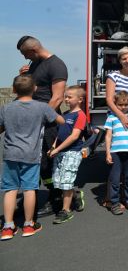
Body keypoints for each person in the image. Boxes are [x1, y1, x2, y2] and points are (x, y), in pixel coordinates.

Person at [0, 75, 65, 240]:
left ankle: (8, 227)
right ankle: (29, 225)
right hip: (31, 154)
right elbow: (61, 120)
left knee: (10, 189)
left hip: (10, 154)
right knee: (29, 189)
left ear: (14, 90)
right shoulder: (42, 107)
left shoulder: (6, 108)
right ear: (35, 89)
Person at [17, 35, 68, 216]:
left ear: (33, 50)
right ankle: (38, 195)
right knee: (36, 161)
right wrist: (24, 76)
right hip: (32, 118)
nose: (25, 58)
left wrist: (37, 119)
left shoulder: (56, 65)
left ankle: (56, 199)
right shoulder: (34, 65)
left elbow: (57, 98)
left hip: (48, 122)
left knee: (48, 161)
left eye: (25, 54)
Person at [48, 85, 87, 224]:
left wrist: (58, 149)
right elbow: (60, 134)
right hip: (60, 152)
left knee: (66, 181)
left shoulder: (80, 115)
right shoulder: (65, 115)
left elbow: (74, 136)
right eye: (65, 96)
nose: (66, 99)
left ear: (80, 99)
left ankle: (66, 210)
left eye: (69, 97)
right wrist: (54, 146)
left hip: (72, 152)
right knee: (59, 180)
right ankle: (75, 195)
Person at [104, 91, 128, 215]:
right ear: (115, 104)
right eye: (120, 104)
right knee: (115, 179)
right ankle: (114, 203)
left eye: (126, 104)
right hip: (115, 152)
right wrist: (108, 153)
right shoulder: (111, 118)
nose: (123, 107)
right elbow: (108, 136)